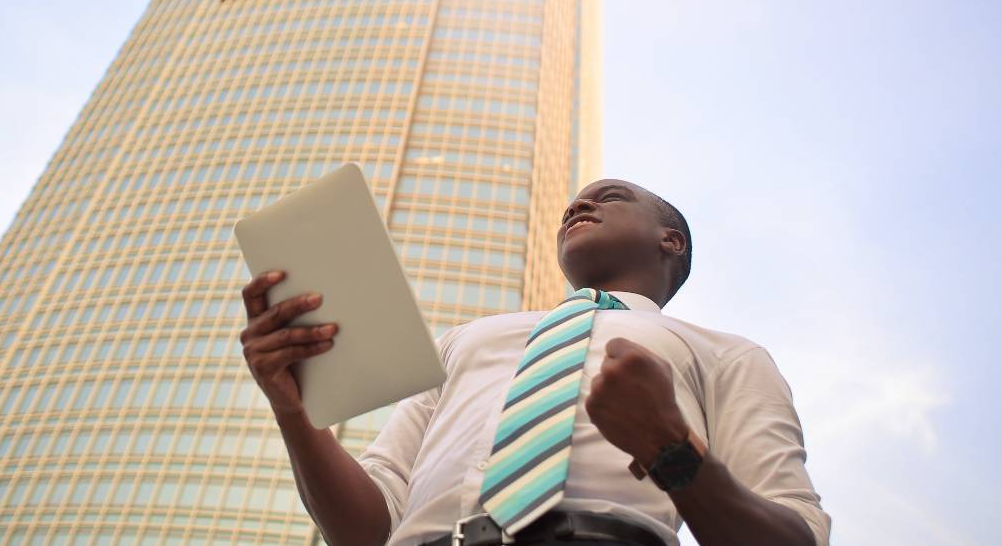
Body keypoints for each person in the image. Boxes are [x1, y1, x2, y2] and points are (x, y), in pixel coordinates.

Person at [237, 179, 830, 546]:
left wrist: (670, 449)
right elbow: (369, 529)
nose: (579, 203)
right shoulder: (465, 340)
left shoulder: (727, 354)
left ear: (670, 239)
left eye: (610, 196)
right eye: (574, 202)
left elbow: (793, 535)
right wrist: (294, 411)